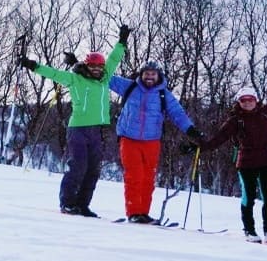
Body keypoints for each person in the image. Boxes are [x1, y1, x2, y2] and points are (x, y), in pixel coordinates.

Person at [17, 24, 129, 217]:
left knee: (93, 170)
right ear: (87, 66)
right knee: (79, 166)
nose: (97, 69)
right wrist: (32, 65)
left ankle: (83, 205)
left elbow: (114, 58)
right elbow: (53, 73)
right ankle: (67, 203)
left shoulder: (105, 77)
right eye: (93, 66)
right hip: (78, 129)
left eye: (100, 66)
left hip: (97, 130)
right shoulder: (75, 79)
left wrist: (122, 41)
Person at [194, 78, 267, 243]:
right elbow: (220, 137)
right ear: (239, 102)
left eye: (250, 99)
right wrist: (202, 146)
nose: (247, 103)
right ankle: (249, 230)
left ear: (256, 100)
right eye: (243, 100)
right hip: (246, 162)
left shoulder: (265, 112)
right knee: (249, 196)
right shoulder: (235, 120)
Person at [109, 61, 201, 223]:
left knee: (148, 178)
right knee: (134, 176)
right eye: (146, 74)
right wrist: (80, 65)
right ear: (141, 75)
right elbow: (105, 77)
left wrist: (191, 130)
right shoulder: (130, 87)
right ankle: (134, 212)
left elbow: (177, 114)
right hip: (129, 139)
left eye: (153, 74)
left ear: (158, 76)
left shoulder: (163, 94)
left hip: (152, 141)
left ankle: (143, 212)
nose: (149, 77)